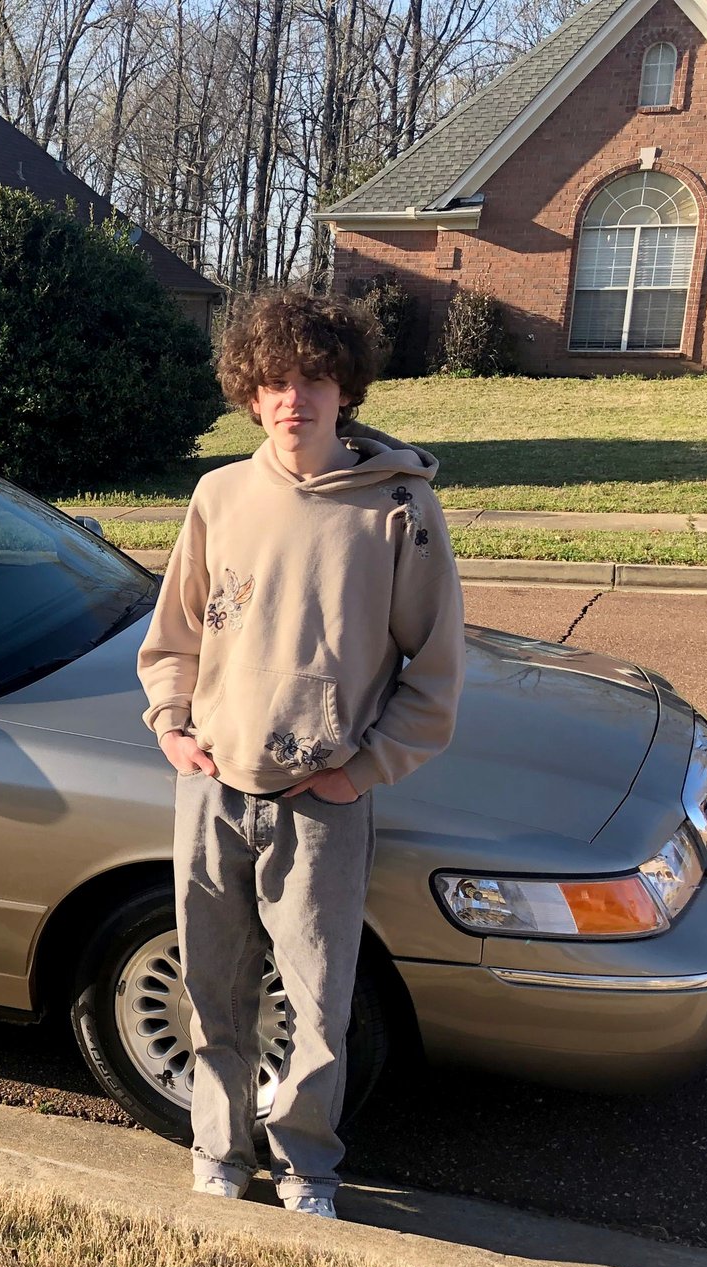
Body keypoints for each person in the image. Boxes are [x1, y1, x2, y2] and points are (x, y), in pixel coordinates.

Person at [136, 290, 465, 1219]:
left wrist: (359, 770)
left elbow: (434, 675)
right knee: (214, 984)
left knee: (318, 1000)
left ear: (345, 387)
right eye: (275, 382)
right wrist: (171, 724)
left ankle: (308, 1167)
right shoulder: (220, 496)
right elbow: (175, 638)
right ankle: (219, 1150)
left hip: (321, 799)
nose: (294, 400)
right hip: (212, 788)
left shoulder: (399, 510)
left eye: (313, 379)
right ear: (249, 393)